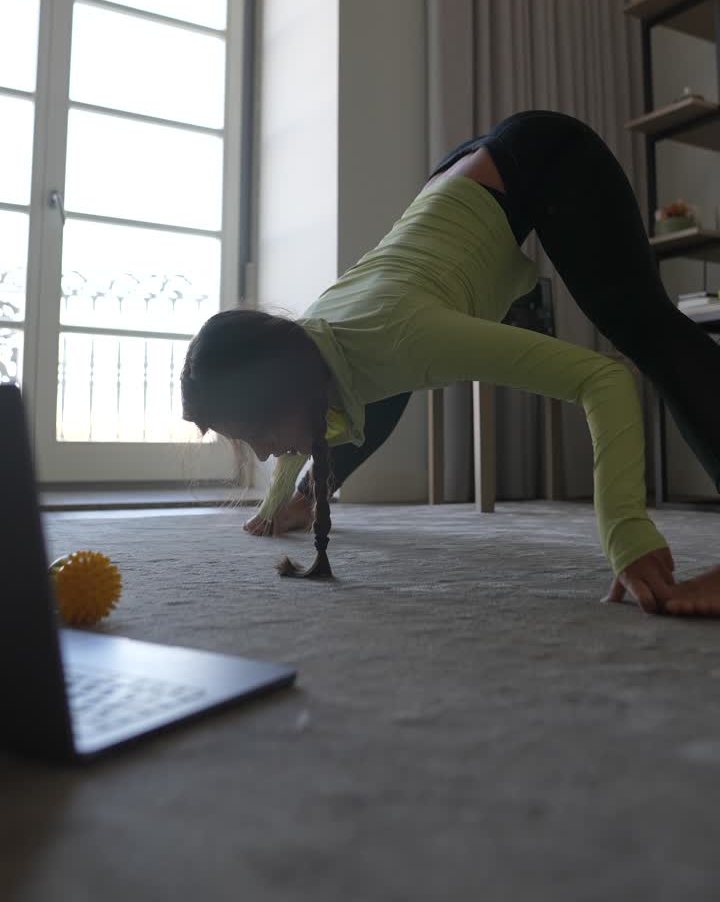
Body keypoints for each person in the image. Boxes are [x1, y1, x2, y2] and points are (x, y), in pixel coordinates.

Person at [181, 109, 720, 617]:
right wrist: (284, 498)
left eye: (256, 431)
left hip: (546, 158)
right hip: (464, 181)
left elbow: (604, 380)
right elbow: (315, 410)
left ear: (280, 385)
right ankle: (307, 500)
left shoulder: (403, 334)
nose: (262, 451)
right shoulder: (312, 344)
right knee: (367, 383)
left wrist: (625, 532)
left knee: (648, 332)